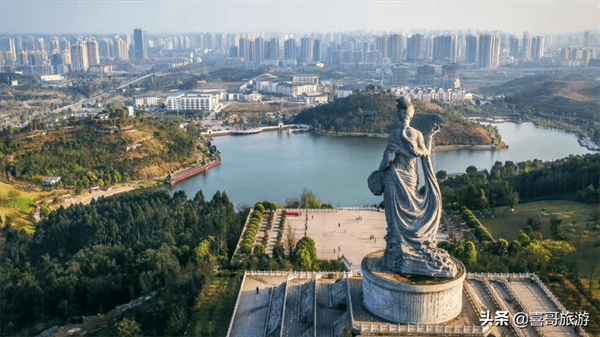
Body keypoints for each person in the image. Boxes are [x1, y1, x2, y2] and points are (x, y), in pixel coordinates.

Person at [370, 96, 455, 278]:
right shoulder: (416, 134)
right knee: (410, 212)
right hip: (407, 177)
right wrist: (427, 140)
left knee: (394, 217)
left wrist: (378, 173)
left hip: (394, 176)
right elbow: (424, 154)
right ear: (411, 114)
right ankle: (400, 251)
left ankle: (397, 250)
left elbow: (387, 159)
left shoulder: (395, 134)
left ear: (399, 114)